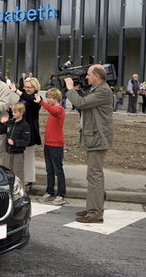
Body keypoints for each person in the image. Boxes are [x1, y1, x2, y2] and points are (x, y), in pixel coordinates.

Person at [65, 64, 113, 224]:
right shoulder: (97, 90)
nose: (86, 77)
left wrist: (71, 89)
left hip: (98, 139)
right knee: (93, 175)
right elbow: (84, 102)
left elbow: (81, 103)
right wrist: (77, 90)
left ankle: (96, 213)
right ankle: (92, 207)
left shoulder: (104, 91)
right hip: (94, 138)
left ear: (97, 76)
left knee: (95, 176)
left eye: (89, 75)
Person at [35, 88, 66, 206]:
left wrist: (41, 102)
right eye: (47, 97)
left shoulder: (59, 109)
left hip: (56, 144)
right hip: (48, 143)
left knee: (58, 170)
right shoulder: (53, 110)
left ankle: (61, 194)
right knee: (50, 170)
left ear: (56, 98)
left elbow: (53, 111)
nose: (48, 100)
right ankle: (50, 191)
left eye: (50, 98)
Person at [9, 77, 42, 185]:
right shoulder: (23, 97)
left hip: (29, 130)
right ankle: (20, 176)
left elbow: (30, 100)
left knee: (28, 156)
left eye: (29, 87)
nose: (26, 89)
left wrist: (16, 91)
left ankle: (29, 178)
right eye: (25, 87)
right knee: (20, 156)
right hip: (19, 129)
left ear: (35, 87)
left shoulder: (36, 97)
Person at [0, 103, 31, 182]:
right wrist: (1, 123)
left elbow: (26, 141)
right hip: (8, 151)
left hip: (18, 153)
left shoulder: (25, 125)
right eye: (12, 112)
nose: (13, 114)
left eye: (15, 112)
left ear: (21, 112)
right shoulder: (10, 122)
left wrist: (15, 142)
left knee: (18, 173)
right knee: (7, 172)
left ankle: (19, 191)